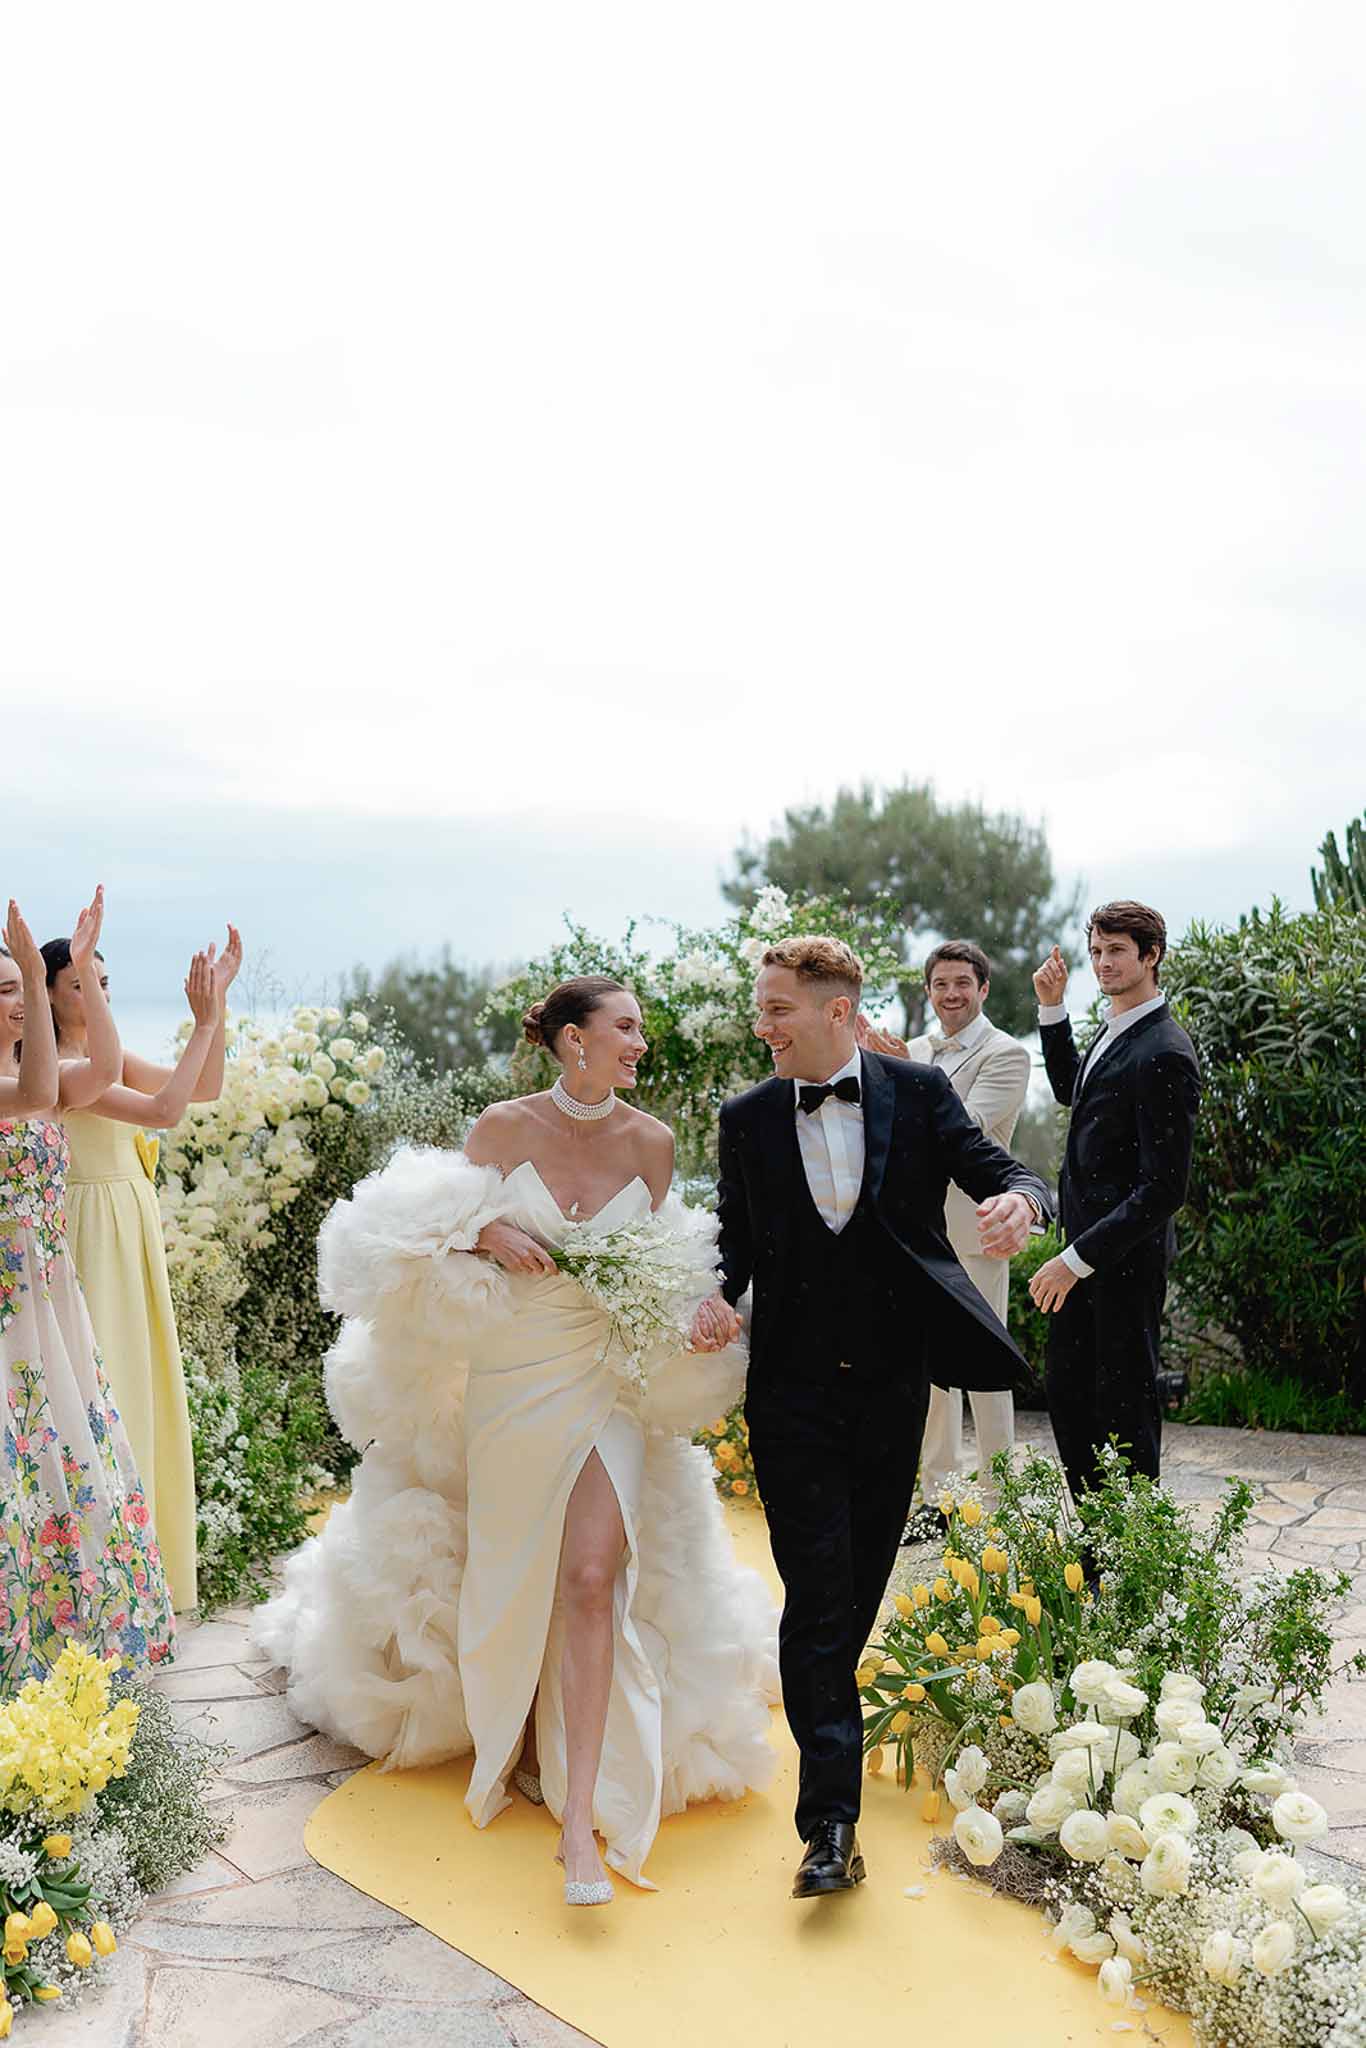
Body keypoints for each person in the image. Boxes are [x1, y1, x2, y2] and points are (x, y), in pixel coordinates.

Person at [254, 975, 777, 1907]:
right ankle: (520, 1743)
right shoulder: (500, 1129)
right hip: (509, 1386)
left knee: (588, 1580)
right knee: (512, 1578)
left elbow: (663, 1276)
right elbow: (411, 1244)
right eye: (625, 1027)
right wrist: (484, 1229)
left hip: (603, 1382)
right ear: (573, 1039)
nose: (639, 1042)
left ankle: (581, 1818)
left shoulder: (652, 1144)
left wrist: (702, 1312)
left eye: (642, 1029)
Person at [697, 935, 1051, 1900]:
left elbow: (1003, 1171)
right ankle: (830, 1824)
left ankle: (825, 1750)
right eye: (760, 1008)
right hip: (791, 1397)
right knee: (816, 1595)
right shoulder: (748, 1117)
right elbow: (732, 1243)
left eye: (776, 1009)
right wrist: (711, 1296)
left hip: (898, 1389)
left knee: (852, 1597)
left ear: (837, 1012)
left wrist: (1025, 1205)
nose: (760, 1025)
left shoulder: (920, 1095)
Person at [0, 891, 175, 1685]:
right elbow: (37, 1094)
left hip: (51, 1292)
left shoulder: (43, 1075)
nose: (17, 1002)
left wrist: (86, 978)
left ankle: (76, 1632)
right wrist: (41, 981)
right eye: (5, 992)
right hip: (8, 1296)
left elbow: (101, 1070)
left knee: (70, 1450)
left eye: (19, 989)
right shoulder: (18, 1088)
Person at [44, 926, 242, 1612]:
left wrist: (211, 1017)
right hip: (89, 1231)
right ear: (45, 997)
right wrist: (204, 1022)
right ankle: (105, 1583)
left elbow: (205, 1087)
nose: (95, 992)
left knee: (144, 1385)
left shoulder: (110, 1057)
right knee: (110, 1389)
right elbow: (165, 1112)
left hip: (130, 1226)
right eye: (79, 983)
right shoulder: (60, 1071)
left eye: (102, 981)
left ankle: (149, 1574)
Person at [1028, 902, 1201, 1502]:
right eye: (1097, 951)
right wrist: (1052, 1009)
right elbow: (1071, 1089)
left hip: (1120, 1263)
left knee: (1122, 1414)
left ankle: (1129, 1568)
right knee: (1071, 1396)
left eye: (1117, 951)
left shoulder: (1165, 1051)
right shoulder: (1115, 1027)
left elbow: (1163, 1189)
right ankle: (1100, 1553)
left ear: (1151, 956)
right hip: (1085, 1257)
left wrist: (1075, 1259)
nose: (1102, 963)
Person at [860, 941, 1032, 1537]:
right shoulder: (914, 1051)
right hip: (918, 1231)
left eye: (963, 983)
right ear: (927, 991)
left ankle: (1001, 1499)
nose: (951, 994)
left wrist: (900, 1073)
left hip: (978, 1230)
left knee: (984, 1370)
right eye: (940, 985)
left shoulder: (1007, 1053)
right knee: (929, 1373)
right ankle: (939, 1498)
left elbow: (965, 1129)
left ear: (983, 989)